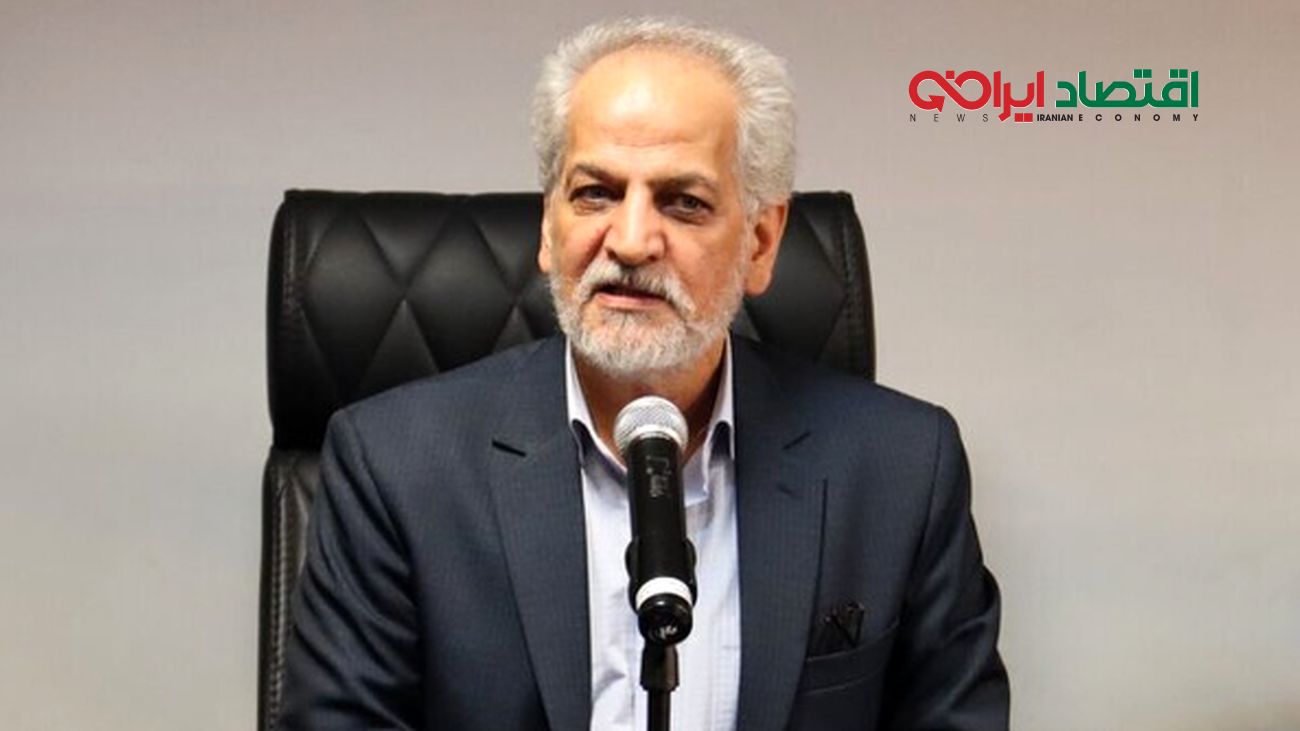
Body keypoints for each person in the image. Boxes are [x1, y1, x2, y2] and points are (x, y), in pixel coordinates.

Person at [282, 17, 1009, 731]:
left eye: (683, 202)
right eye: (595, 193)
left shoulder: (902, 468)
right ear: (548, 226)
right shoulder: (395, 467)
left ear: (761, 242)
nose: (630, 242)